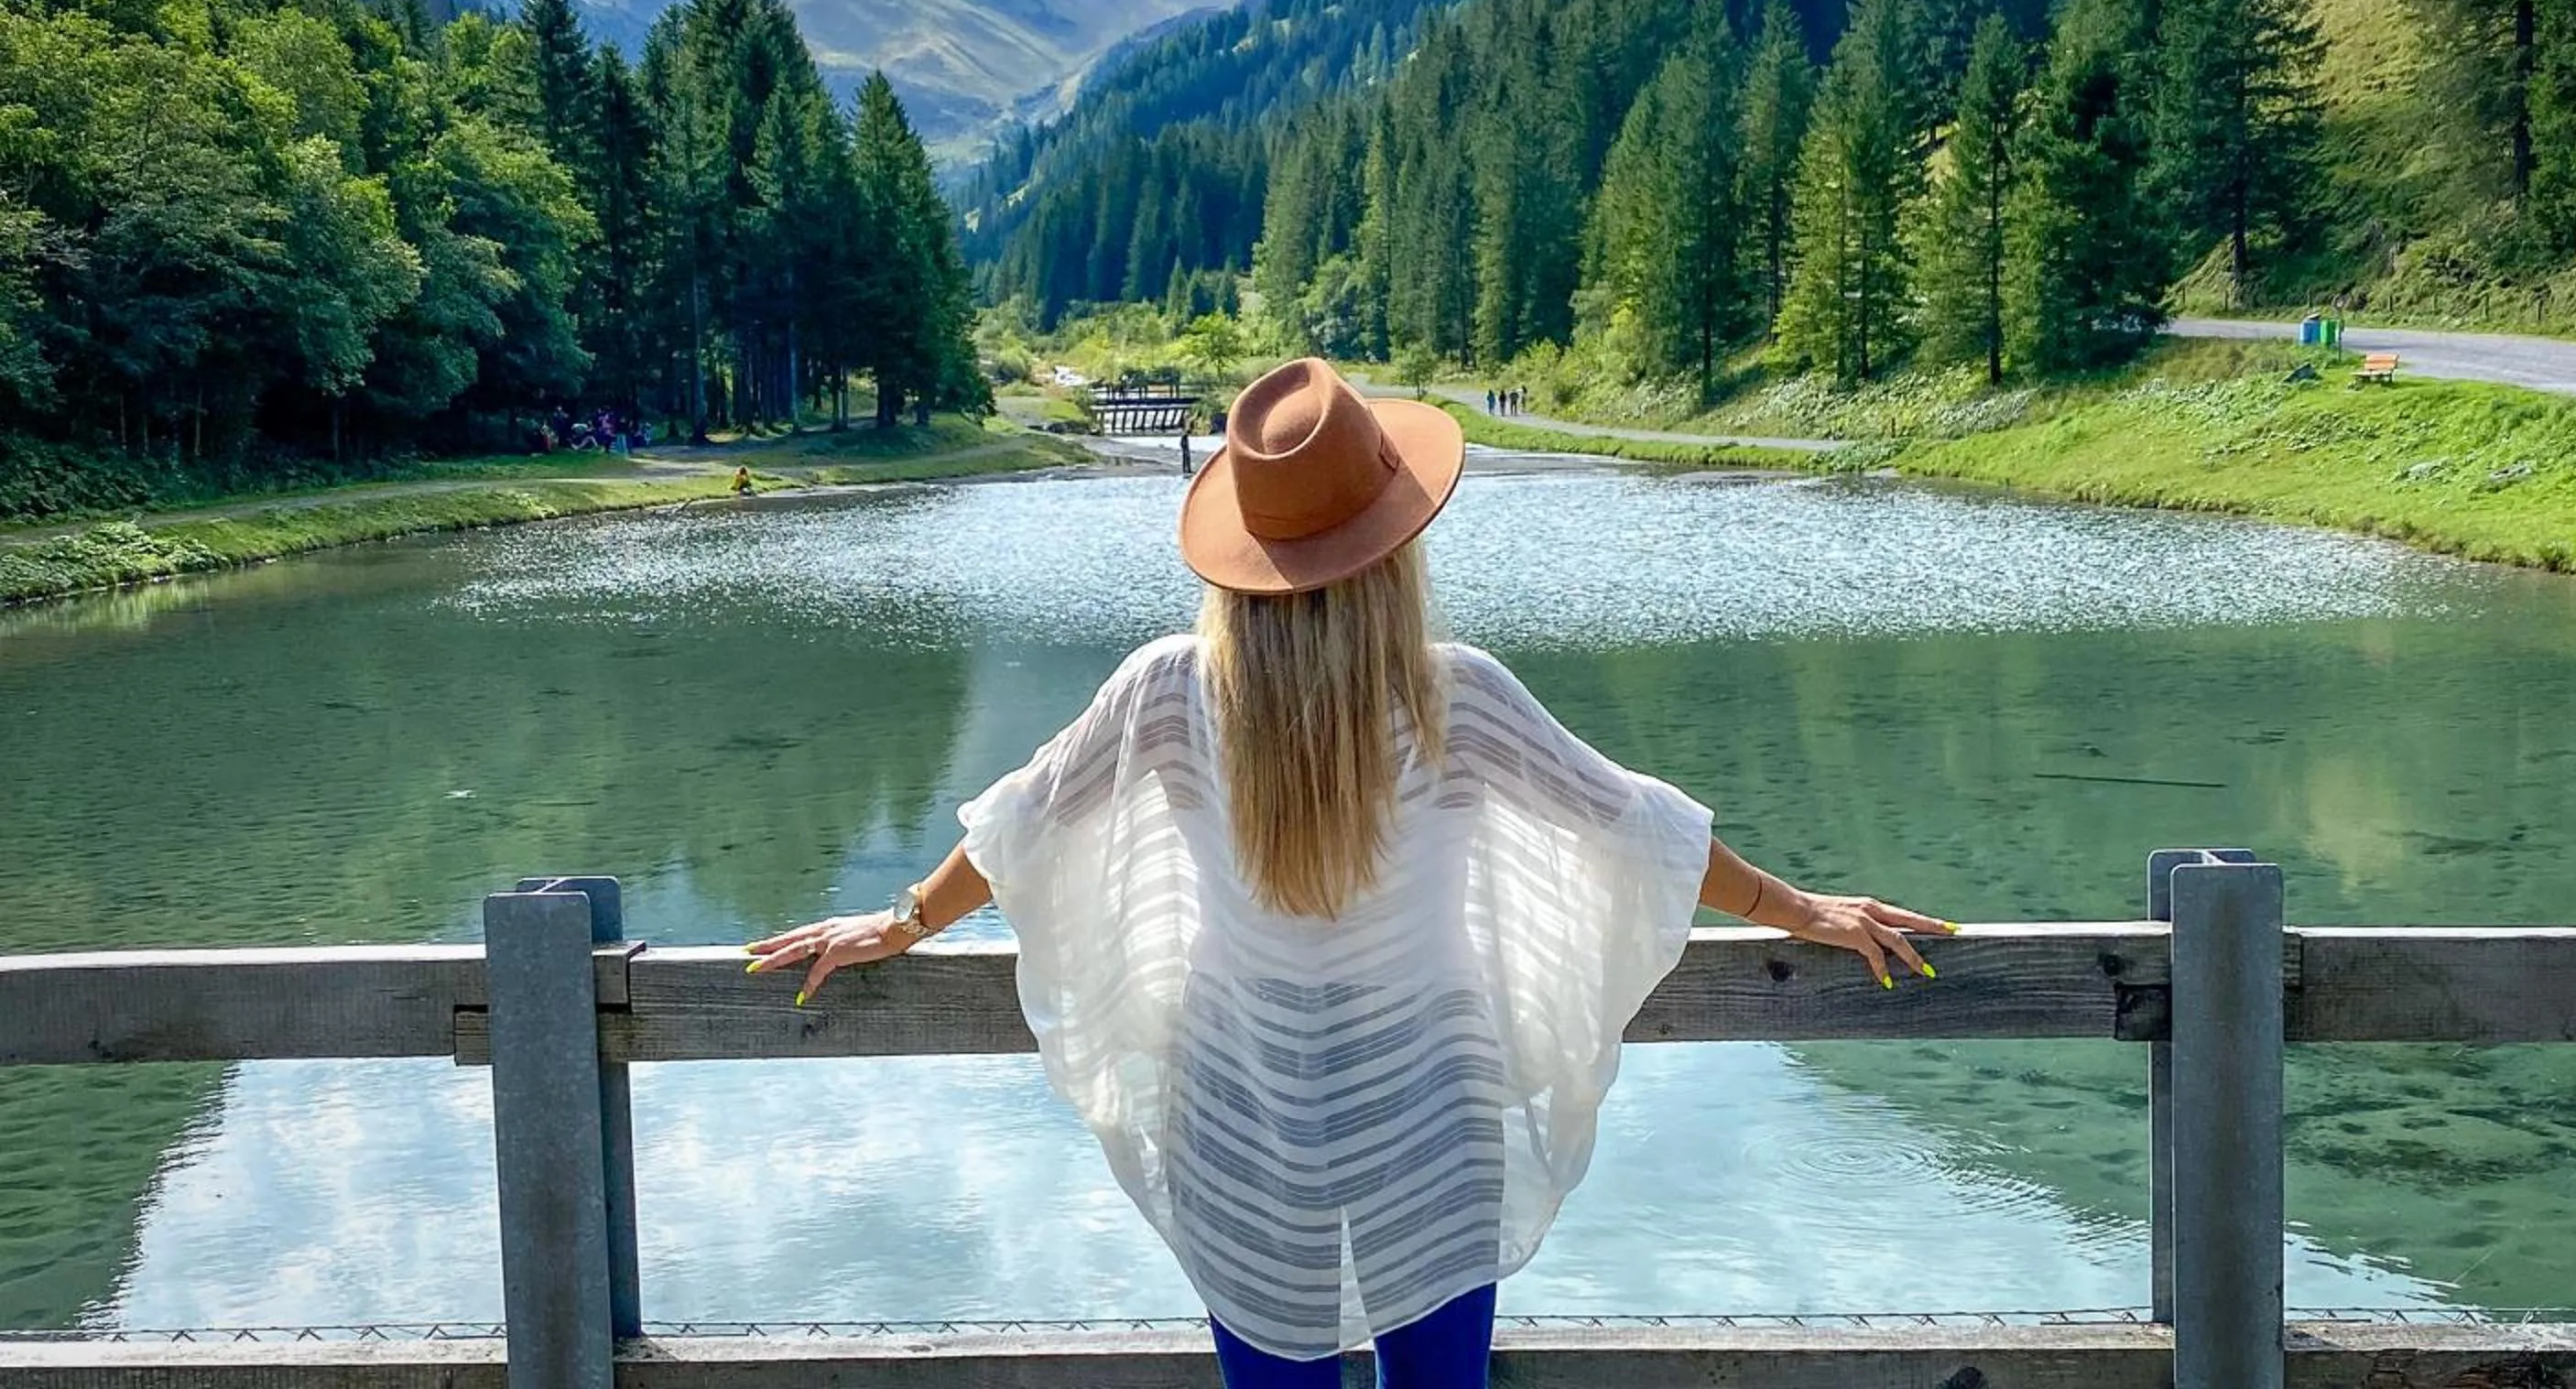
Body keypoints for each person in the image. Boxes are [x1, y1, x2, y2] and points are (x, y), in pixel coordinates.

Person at [746, 358, 1951, 1386]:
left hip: (1235, 1106)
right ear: (1392, 545)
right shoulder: (1452, 696)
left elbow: (1019, 830)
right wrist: (1802, 910)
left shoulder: (1169, 689)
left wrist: (901, 920)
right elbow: (1638, 830)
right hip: (1427, 1105)